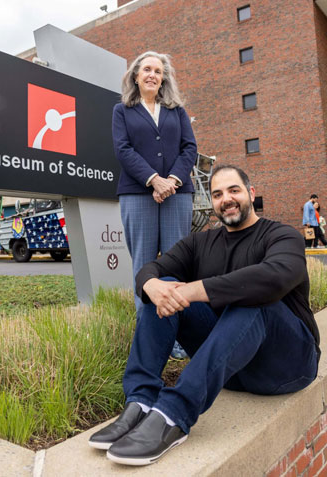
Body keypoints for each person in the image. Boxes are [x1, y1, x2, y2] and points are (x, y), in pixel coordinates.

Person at [89, 165, 320, 466]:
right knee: (165, 289)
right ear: (212, 202)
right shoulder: (200, 243)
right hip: (233, 368)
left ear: (250, 193)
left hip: (287, 364)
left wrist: (194, 290)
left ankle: (173, 415)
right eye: (217, 194)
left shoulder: (281, 235)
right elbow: (151, 269)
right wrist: (152, 285)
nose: (227, 199)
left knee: (251, 298)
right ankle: (140, 401)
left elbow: (275, 278)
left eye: (234, 190)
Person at [112, 51, 197, 359]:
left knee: (177, 264)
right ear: (136, 76)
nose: (152, 74)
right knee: (144, 265)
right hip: (137, 193)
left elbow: (190, 148)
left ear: (164, 78)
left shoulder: (177, 110)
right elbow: (122, 149)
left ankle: (178, 336)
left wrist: (171, 180)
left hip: (177, 193)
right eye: (146, 69)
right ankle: (148, 338)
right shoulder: (122, 110)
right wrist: (152, 179)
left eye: (158, 71)